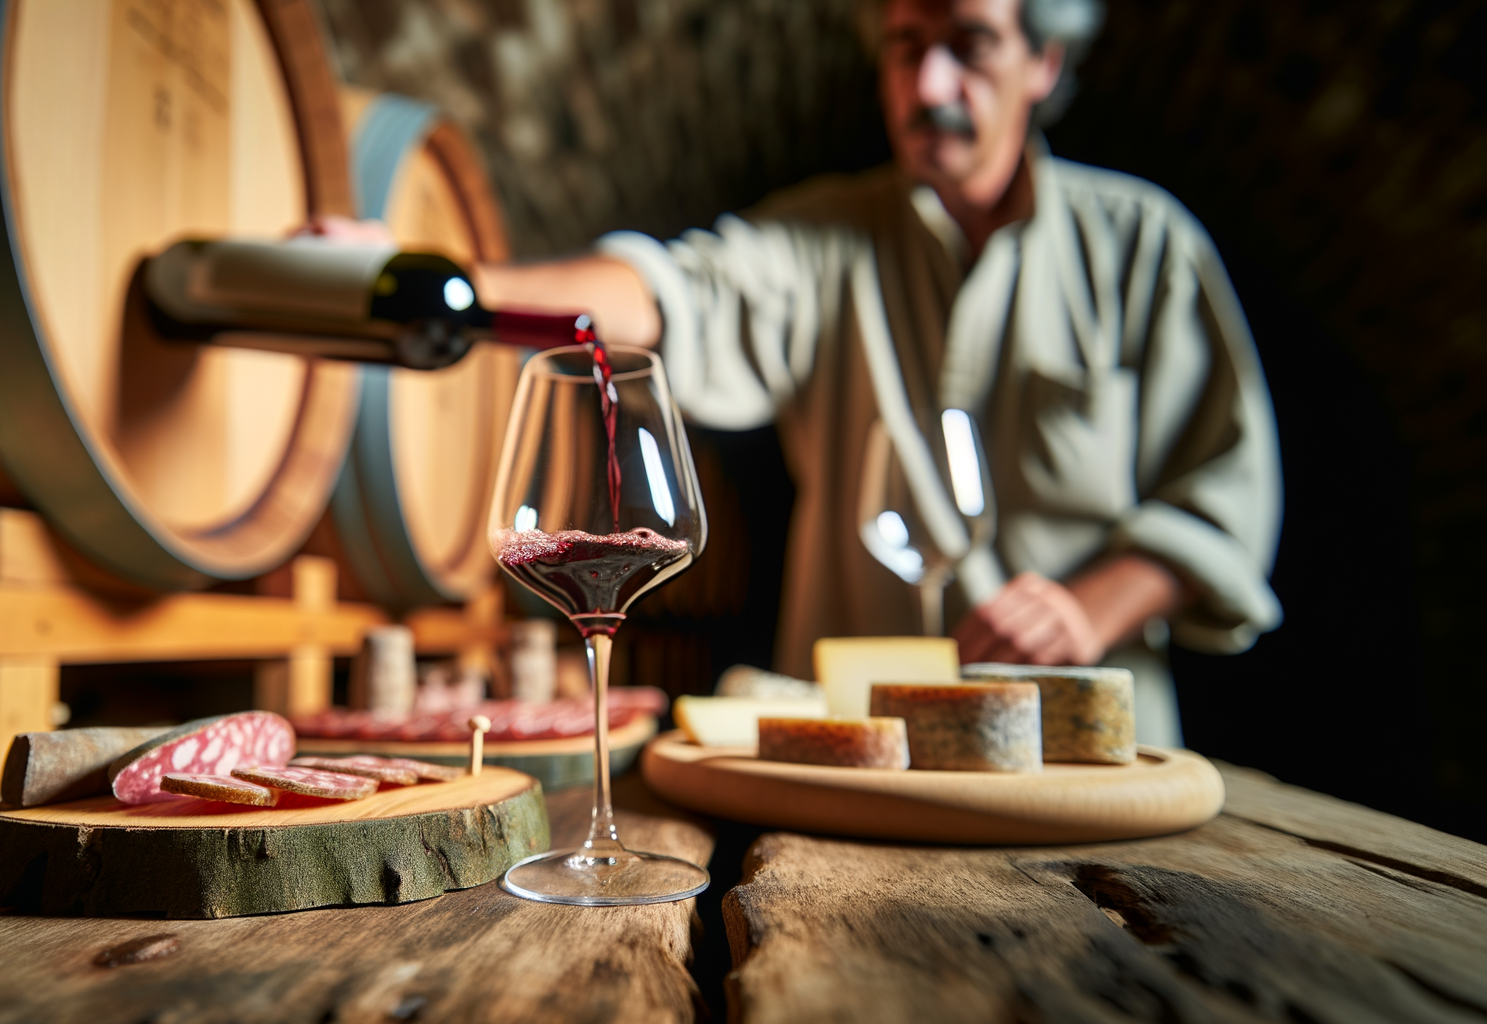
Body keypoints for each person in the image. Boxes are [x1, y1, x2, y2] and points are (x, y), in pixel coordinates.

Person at [471, 0, 1283, 745]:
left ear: (1045, 61)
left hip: (1077, 761)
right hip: (852, 760)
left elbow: (1222, 501)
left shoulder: (1144, 247)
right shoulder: (824, 243)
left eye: (970, 45)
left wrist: (1088, 609)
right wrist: (459, 299)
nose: (929, 84)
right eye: (907, 46)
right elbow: (672, 291)